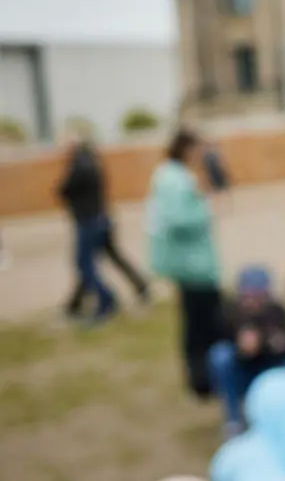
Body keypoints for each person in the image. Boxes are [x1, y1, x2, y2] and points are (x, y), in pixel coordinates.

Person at [146, 127, 224, 396]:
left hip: (191, 262)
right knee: (204, 323)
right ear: (188, 148)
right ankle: (203, 379)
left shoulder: (172, 175)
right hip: (193, 264)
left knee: (198, 321)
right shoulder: (175, 179)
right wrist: (206, 208)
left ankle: (204, 377)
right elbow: (178, 219)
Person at [58, 132, 149, 322]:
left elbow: (63, 189)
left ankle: (106, 299)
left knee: (84, 264)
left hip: (90, 222)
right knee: (106, 258)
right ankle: (74, 304)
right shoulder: (94, 163)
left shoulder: (79, 166)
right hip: (102, 219)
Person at [208, 264, 285, 439]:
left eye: (258, 296)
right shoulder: (230, 312)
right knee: (220, 355)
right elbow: (223, 344)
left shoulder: (277, 312)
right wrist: (243, 349)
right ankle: (233, 418)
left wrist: (268, 345)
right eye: (248, 295)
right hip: (241, 371)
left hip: (269, 369)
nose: (252, 301)